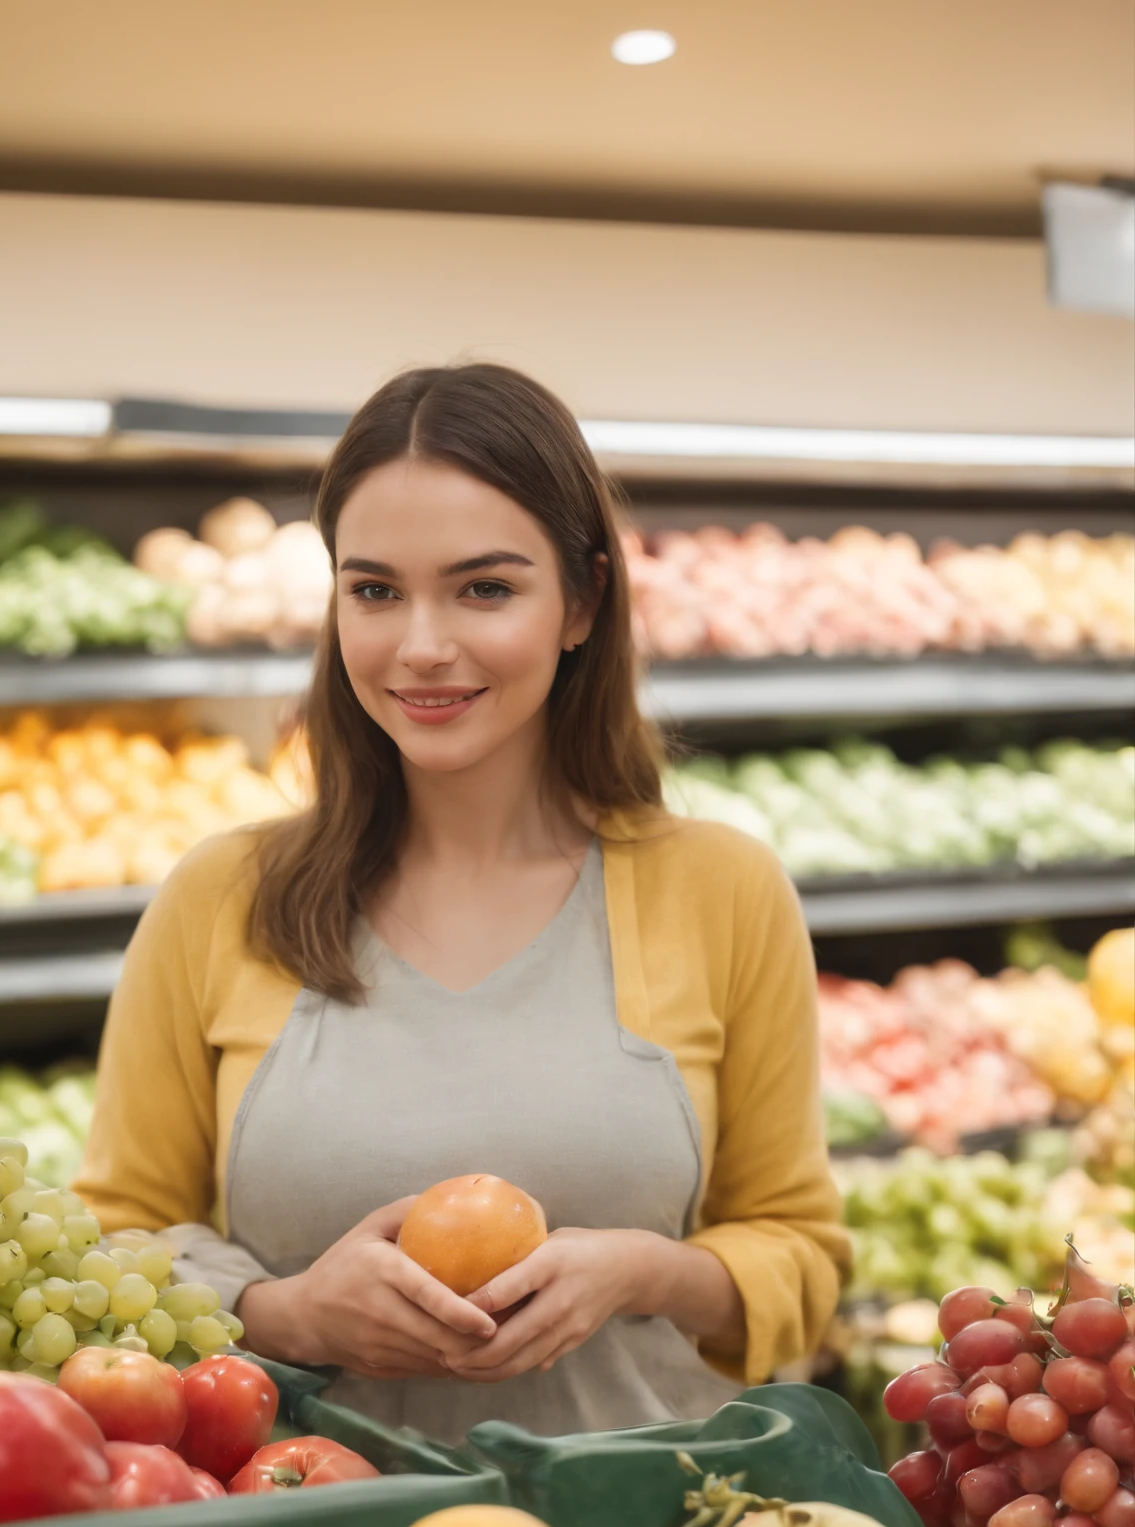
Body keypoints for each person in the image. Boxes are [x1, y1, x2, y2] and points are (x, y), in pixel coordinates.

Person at [76, 362, 849, 1443]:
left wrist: (645, 1272)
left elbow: (800, 1257)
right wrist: (283, 1312)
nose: (421, 645)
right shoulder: (222, 897)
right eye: (376, 590)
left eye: (484, 588)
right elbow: (112, 1233)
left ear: (581, 600)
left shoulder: (721, 889)